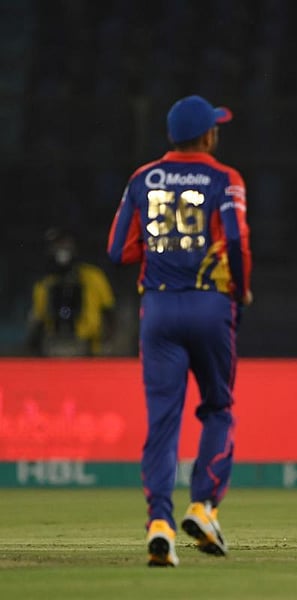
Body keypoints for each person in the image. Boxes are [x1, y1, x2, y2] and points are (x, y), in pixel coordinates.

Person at [107, 95, 253, 567]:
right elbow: (236, 239)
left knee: (163, 422)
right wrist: (241, 289)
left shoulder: (142, 177)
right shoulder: (225, 178)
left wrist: (162, 249)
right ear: (208, 135)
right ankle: (203, 507)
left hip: (159, 307)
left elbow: (118, 250)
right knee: (218, 409)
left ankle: (159, 524)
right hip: (210, 304)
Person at [27, 227, 116, 357]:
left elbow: (109, 312)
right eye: (58, 244)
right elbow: (38, 320)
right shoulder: (45, 283)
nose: (62, 248)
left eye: (66, 243)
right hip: (54, 348)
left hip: (89, 347)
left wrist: (107, 343)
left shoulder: (93, 277)